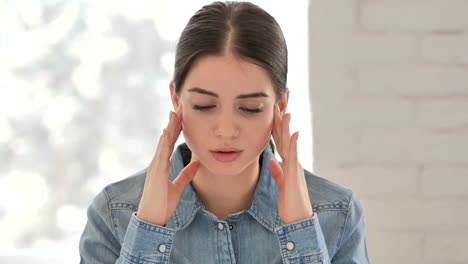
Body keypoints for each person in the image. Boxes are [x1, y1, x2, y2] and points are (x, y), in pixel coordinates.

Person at [79, 1, 369, 263]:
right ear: (177, 101)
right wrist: (148, 230)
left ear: (279, 106)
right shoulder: (114, 214)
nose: (227, 131)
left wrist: (301, 229)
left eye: (250, 108)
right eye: (205, 105)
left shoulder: (337, 214)